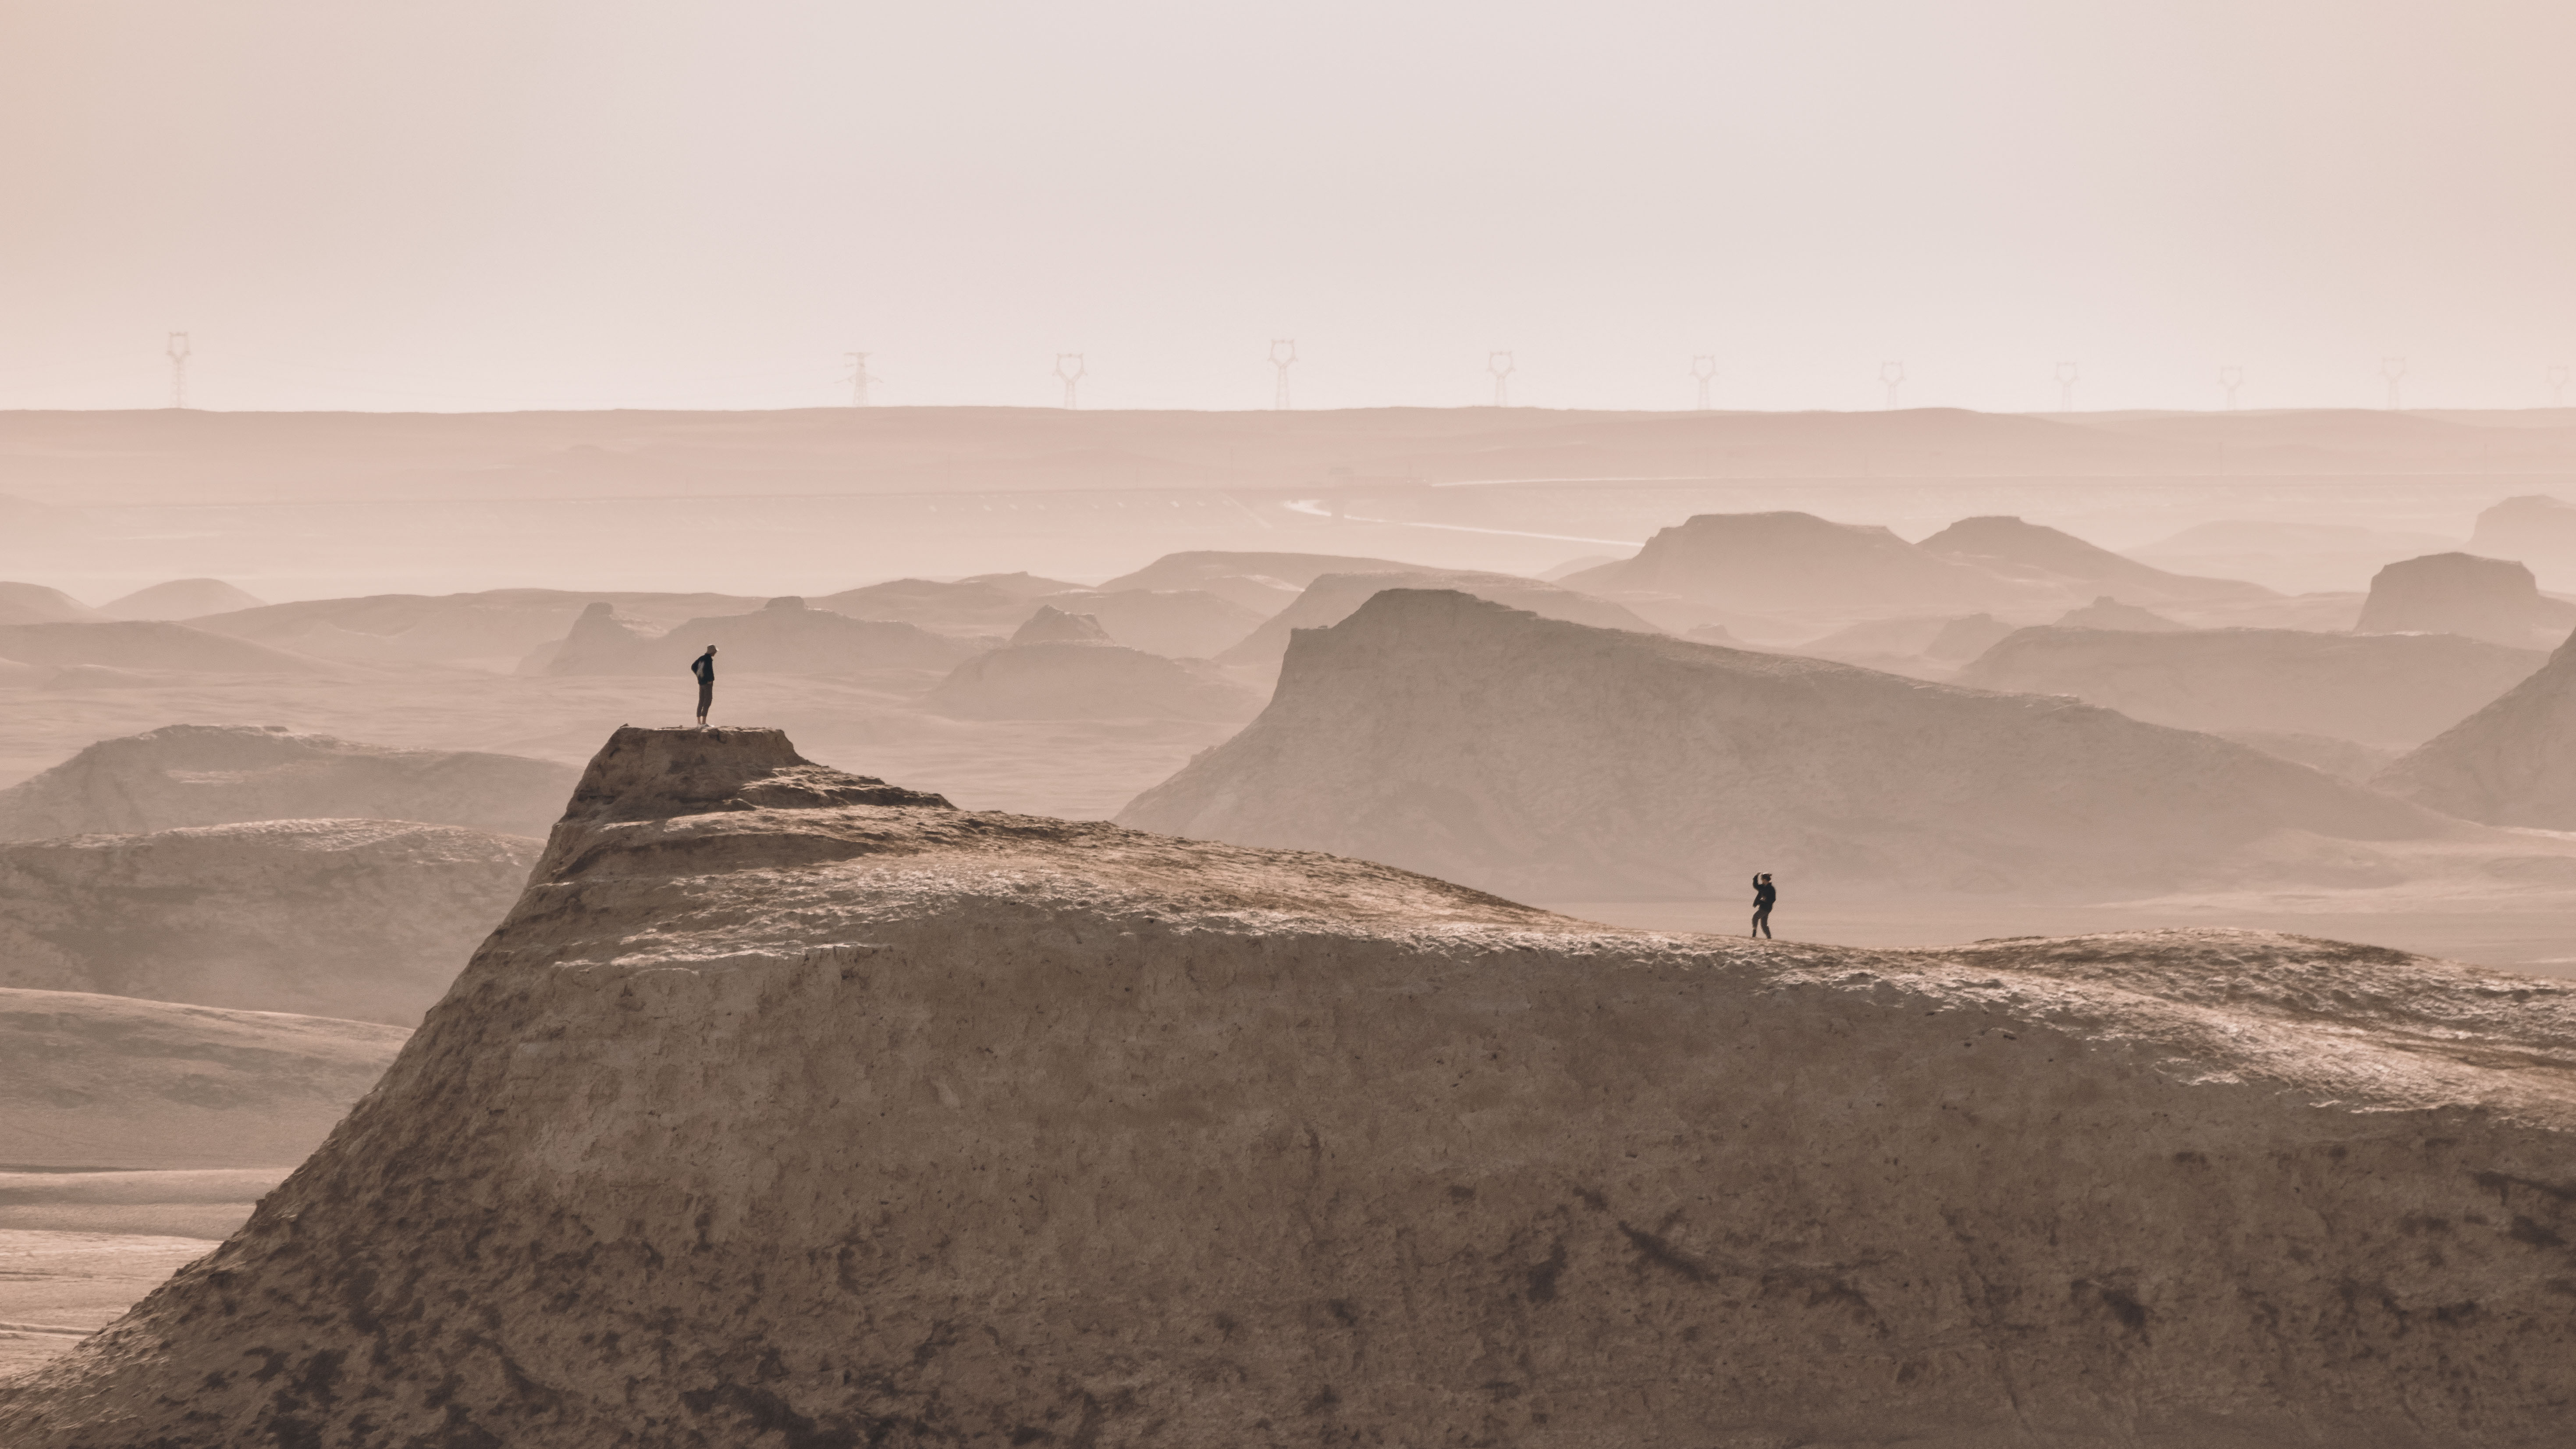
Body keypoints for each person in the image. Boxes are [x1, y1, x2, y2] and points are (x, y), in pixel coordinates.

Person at [690, 645, 717, 726]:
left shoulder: (702, 658)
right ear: (712, 652)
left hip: (701, 683)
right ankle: (704, 722)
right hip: (707, 684)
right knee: (708, 700)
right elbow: (708, 670)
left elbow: (693, 667)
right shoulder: (708, 659)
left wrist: (699, 676)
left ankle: (699, 723)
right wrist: (709, 679)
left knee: (701, 700)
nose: (715, 653)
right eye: (715, 651)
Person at [1749, 872, 1776, 939]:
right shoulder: (1763, 887)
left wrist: (1765, 900)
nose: (1762, 880)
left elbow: (1773, 899)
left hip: (1766, 908)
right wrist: (1756, 877)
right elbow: (1756, 886)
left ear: (1765, 880)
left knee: (1755, 917)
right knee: (1764, 925)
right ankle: (1769, 937)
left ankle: (1754, 931)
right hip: (1763, 907)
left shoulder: (1771, 889)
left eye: (1762, 879)